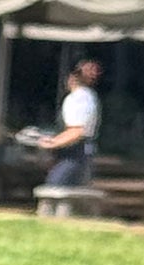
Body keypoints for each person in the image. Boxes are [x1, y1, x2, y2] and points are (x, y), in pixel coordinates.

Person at [40, 56, 102, 186]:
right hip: (77, 153)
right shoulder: (86, 96)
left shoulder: (79, 98)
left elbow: (77, 131)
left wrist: (52, 143)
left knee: (55, 187)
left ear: (71, 77)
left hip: (75, 154)